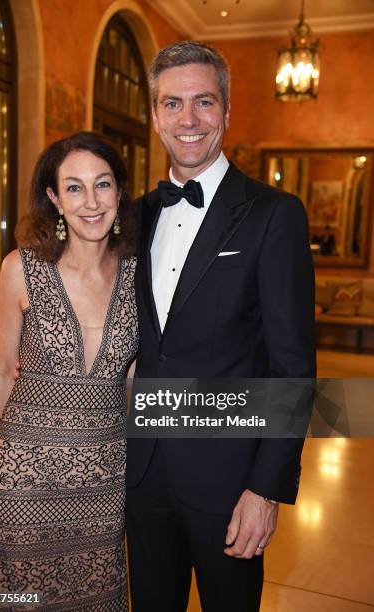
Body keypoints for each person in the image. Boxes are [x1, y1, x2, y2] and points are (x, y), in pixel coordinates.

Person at [126, 41, 316, 612]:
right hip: (142, 474)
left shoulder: (273, 215)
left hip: (231, 483)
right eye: (172, 104)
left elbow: (292, 368)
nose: (188, 120)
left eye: (204, 102)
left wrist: (266, 489)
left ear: (227, 113)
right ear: (155, 115)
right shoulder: (135, 216)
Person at [0, 132, 138, 611]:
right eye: (74, 187)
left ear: (119, 193)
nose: (90, 202)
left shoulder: (138, 274)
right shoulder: (20, 269)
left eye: (102, 185)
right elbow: (2, 371)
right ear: (53, 198)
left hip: (104, 486)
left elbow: (134, 381)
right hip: (22, 482)